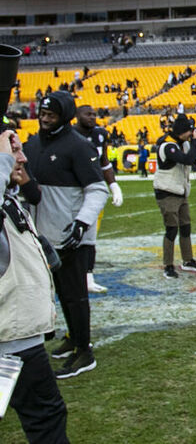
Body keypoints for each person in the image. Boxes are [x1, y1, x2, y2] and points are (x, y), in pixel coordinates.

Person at [23, 91, 109, 379]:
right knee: (60, 292)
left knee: (75, 296)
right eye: (43, 114)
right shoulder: (33, 143)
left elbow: (97, 189)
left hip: (71, 235)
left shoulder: (79, 146)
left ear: (65, 117)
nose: (45, 119)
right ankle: (73, 337)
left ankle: (85, 351)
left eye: (52, 115)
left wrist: (82, 223)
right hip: (44, 234)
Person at [0, 128, 72, 443]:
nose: (22, 157)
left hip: (15, 335)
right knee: (46, 419)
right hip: (11, 340)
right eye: (13, 149)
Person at [73, 105, 124, 294]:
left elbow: (104, 162)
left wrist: (113, 186)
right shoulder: (69, 135)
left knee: (90, 238)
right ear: (77, 116)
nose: (92, 117)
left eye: (94, 114)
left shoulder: (100, 134)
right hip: (72, 191)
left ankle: (88, 278)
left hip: (93, 190)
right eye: (88, 114)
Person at [153, 114, 196, 279]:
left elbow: (194, 161)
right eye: (189, 131)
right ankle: (168, 265)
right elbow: (186, 160)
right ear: (182, 131)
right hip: (167, 191)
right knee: (172, 229)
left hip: (180, 191)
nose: (191, 134)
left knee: (186, 226)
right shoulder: (167, 146)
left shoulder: (182, 143)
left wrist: (195, 144)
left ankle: (187, 259)